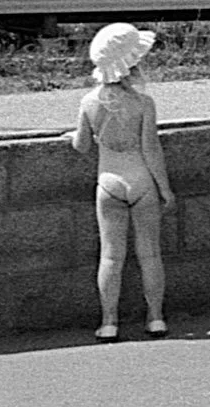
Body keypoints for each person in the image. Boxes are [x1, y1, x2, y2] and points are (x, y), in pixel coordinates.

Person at [73, 23, 173, 342]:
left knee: (111, 256)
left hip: (108, 182)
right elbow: (151, 149)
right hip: (141, 180)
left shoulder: (89, 102)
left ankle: (109, 322)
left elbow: (82, 145)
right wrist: (165, 190)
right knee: (150, 254)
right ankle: (155, 318)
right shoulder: (143, 104)